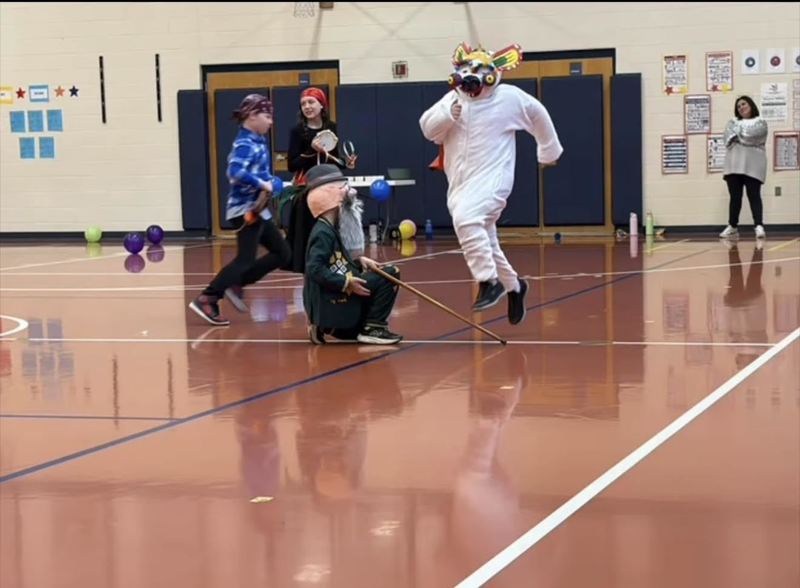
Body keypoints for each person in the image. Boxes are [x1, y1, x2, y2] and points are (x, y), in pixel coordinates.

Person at [419, 42, 563, 325]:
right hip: (460, 183)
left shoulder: (508, 98)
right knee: (484, 239)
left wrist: (548, 151)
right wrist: (447, 116)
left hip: (494, 179)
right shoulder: (453, 99)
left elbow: (538, 114)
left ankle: (488, 281)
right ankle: (515, 287)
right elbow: (427, 129)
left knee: (467, 219)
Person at [188, 94, 291, 326]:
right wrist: (262, 184)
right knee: (245, 259)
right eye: (267, 116)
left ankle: (236, 282)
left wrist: (274, 182)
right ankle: (208, 297)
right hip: (245, 211)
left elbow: (260, 172)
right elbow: (234, 172)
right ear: (252, 116)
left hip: (259, 210)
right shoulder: (245, 144)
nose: (271, 121)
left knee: (282, 253)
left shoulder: (258, 141)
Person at [302, 164, 402, 345]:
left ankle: (332, 325)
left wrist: (358, 260)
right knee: (391, 274)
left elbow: (336, 261)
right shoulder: (322, 233)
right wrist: (346, 283)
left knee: (382, 272)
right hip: (336, 301)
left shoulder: (329, 229)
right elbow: (314, 269)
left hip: (338, 307)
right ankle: (373, 328)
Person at [283, 87, 357, 274]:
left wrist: (346, 163)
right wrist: (311, 151)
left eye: (311, 102)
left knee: (331, 231)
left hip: (329, 189)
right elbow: (292, 165)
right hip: (307, 190)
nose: (307, 106)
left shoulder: (331, 127)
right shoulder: (297, 132)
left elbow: (332, 159)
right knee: (307, 234)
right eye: (303, 104)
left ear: (322, 105)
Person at [720, 95, 768, 240]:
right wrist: (743, 136)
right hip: (733, 166)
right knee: (735, 197)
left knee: (754, 196)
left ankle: (758, 225)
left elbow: (754, 136)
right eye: (738, 106)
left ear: (751, 105)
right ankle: (732, 226)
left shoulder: (760, 122)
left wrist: (738, 135)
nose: (741, 107)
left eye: (743, 104)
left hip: (753, 166)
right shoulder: (732, 122)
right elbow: (727, 138)